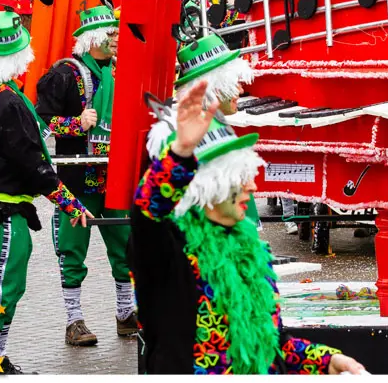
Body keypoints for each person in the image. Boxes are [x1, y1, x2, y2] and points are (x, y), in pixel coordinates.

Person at [130, 79, 367, 374]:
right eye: (240, 179)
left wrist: (326, 361)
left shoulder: (249, 249)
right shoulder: (169, 249)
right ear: (211, 186)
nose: (253, 187)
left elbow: (271, 343)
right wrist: (181, 152)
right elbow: (147, 214)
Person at [0, 10, 92, 374]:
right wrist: (69, 203)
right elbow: (35, 167)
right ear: (19, 58)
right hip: (0, 214)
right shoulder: (8, 103)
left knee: (3, 287)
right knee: (1, 289)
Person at [36, 5, 135, 346]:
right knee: (73, 247)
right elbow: (42, 120)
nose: (116, 39)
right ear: (93, 38)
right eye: (111, 34)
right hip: (77, 178)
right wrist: (76, 123)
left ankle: (126, 313)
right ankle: (73, 321)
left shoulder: (122, 69)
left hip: (114, 174)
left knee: (124, 244)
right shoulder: (65, 74)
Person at [146, 28, 260, 225]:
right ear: (214, 87)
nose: (242, 89)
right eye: (234, 83)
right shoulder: (174, 132)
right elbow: (156, 207)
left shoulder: (220, 125)